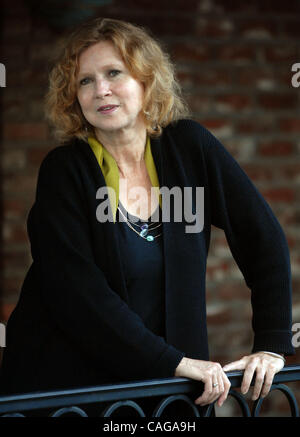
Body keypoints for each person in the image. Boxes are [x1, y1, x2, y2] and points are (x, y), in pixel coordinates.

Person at [0, 17, 294, 412]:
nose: (100, 89)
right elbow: (78, 294)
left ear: (145, 79)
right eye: (85, 80)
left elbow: (264, 238)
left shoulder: (189, 148)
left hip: (167, 394)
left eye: (113, 73)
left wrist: (272, 345)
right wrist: (173, 363)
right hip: (72, 392)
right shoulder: (65, 171)